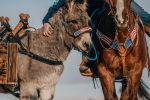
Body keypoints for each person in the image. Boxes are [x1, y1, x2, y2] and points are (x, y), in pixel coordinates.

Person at [42, 0, 150, 76]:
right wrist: (46, 21)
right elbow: (57, 4)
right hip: (92, 7)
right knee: (86, 24)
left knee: (143, 15)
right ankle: (89, 60)